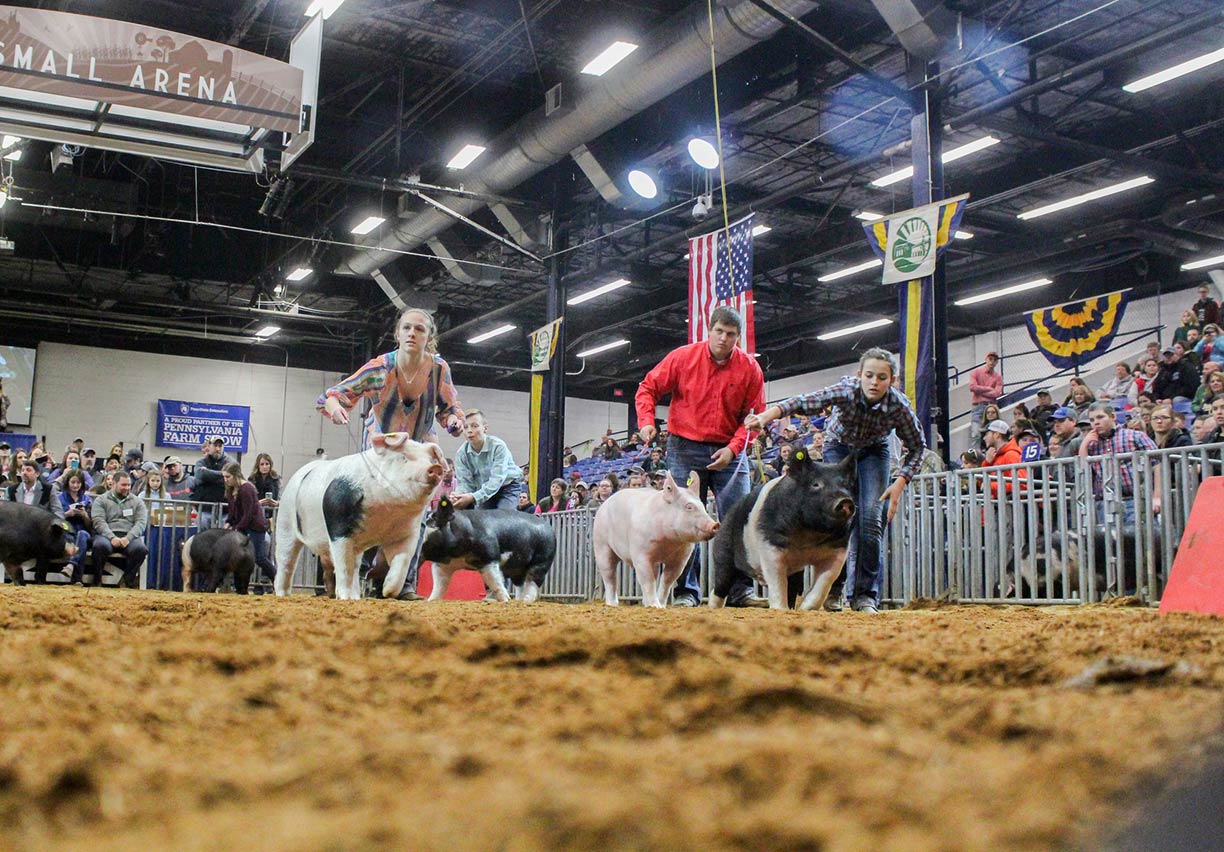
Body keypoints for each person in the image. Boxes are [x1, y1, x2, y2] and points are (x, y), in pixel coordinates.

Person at [748, 347, 926, 614]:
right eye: (869, 376)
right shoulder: (845, 391)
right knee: (836, 515)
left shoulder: (899, 407)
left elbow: (917, 446)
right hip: (838, 446)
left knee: (870, 520)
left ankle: (865, 596)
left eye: (882, 377)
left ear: (891, 381)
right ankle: (834, 588)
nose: (874, 383)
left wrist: (900, 481)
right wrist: (766, 416)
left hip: (875, 452)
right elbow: (805, 401)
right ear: (860, 375)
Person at [318, 307, 465, 599]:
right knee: (369, 509)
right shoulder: (380, 368)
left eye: (420, 329)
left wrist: (454, 422)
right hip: (381, 453)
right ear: (397, 334)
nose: (412, 333)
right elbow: (334, 395)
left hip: (420, 453)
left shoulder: (439, 369)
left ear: (429, 337)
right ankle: (354, 578)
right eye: (407, 328)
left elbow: (449, 408)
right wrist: (335, 409)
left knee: (417, 516)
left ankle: (405, 584)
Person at [635, 304, 766, 608]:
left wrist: (733, 449)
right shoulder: (683, 358)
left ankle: (739, 591)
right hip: (684, 446)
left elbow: (754, 418)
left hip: (730, 451)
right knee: (683, 520)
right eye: (719, 331)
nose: (723, 338)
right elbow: (648, 388)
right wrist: (645, 422)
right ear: (709, 330)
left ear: (738, 338)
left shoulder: (749, 369)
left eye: (730, 334)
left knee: (739, 519)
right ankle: (686, 591)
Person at [451, 410, 521, 510]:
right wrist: (458, 495)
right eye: (465, 427)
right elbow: (465, 483)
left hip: (507, 486)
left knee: (504, 517)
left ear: (485, 428)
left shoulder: (498, 446)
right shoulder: (461, 454)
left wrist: (473, 497)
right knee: (482, 520)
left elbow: (496, 480)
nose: (469, 430)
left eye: (474, 426)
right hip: (483, 488)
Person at [221, 462, 276, 589]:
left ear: (236, 475)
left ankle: (277, 580)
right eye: (224, 477)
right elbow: (233, 511)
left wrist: (237, 528)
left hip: (255, 527)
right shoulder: (230, 490)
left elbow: (249, 513)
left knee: (260, 557)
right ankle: (239, 586)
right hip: (243, 527)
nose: (226, 480)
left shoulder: (247, 489)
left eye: (228, 477)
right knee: (239, 557)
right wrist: (229, 522)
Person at [89, 471, 148, 588]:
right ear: (113, 484)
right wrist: (111, 537)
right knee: (99, 546)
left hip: (129, 536)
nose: (127, 488)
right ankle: (97, 580)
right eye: (123, 485)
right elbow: (98, 521)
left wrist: (128, 538)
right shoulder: (101, 500)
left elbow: (141, 522)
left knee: (141, 550)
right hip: (106, 535)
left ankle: (127, 581)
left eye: (128, 485)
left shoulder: (138, 502)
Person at [55, 469, 93, 584]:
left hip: (83, 531)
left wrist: (84, 515)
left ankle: (71, 565)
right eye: (73, 482)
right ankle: (77, 579)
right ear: (68, 483)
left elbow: (90, 525)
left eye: (78, 483)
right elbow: (55, 518)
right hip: (66, 531)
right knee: (78, 543)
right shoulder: (60, 498)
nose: (76, 485)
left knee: (82, 536)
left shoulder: (86, 499)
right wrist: (67, 514)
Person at [968, 352, 1003, 445]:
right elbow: (972, 387)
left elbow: (997, 393)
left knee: (994, 433)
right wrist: (988, 389)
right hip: (978, 407)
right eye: (990, 359)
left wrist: (980, 391)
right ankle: (976, 457)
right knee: (976, 434)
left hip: (991, 407)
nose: (992, 362)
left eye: (995, 360)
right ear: (986, 359)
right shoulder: (976, 372)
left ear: (997, 362)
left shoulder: (998, 377)